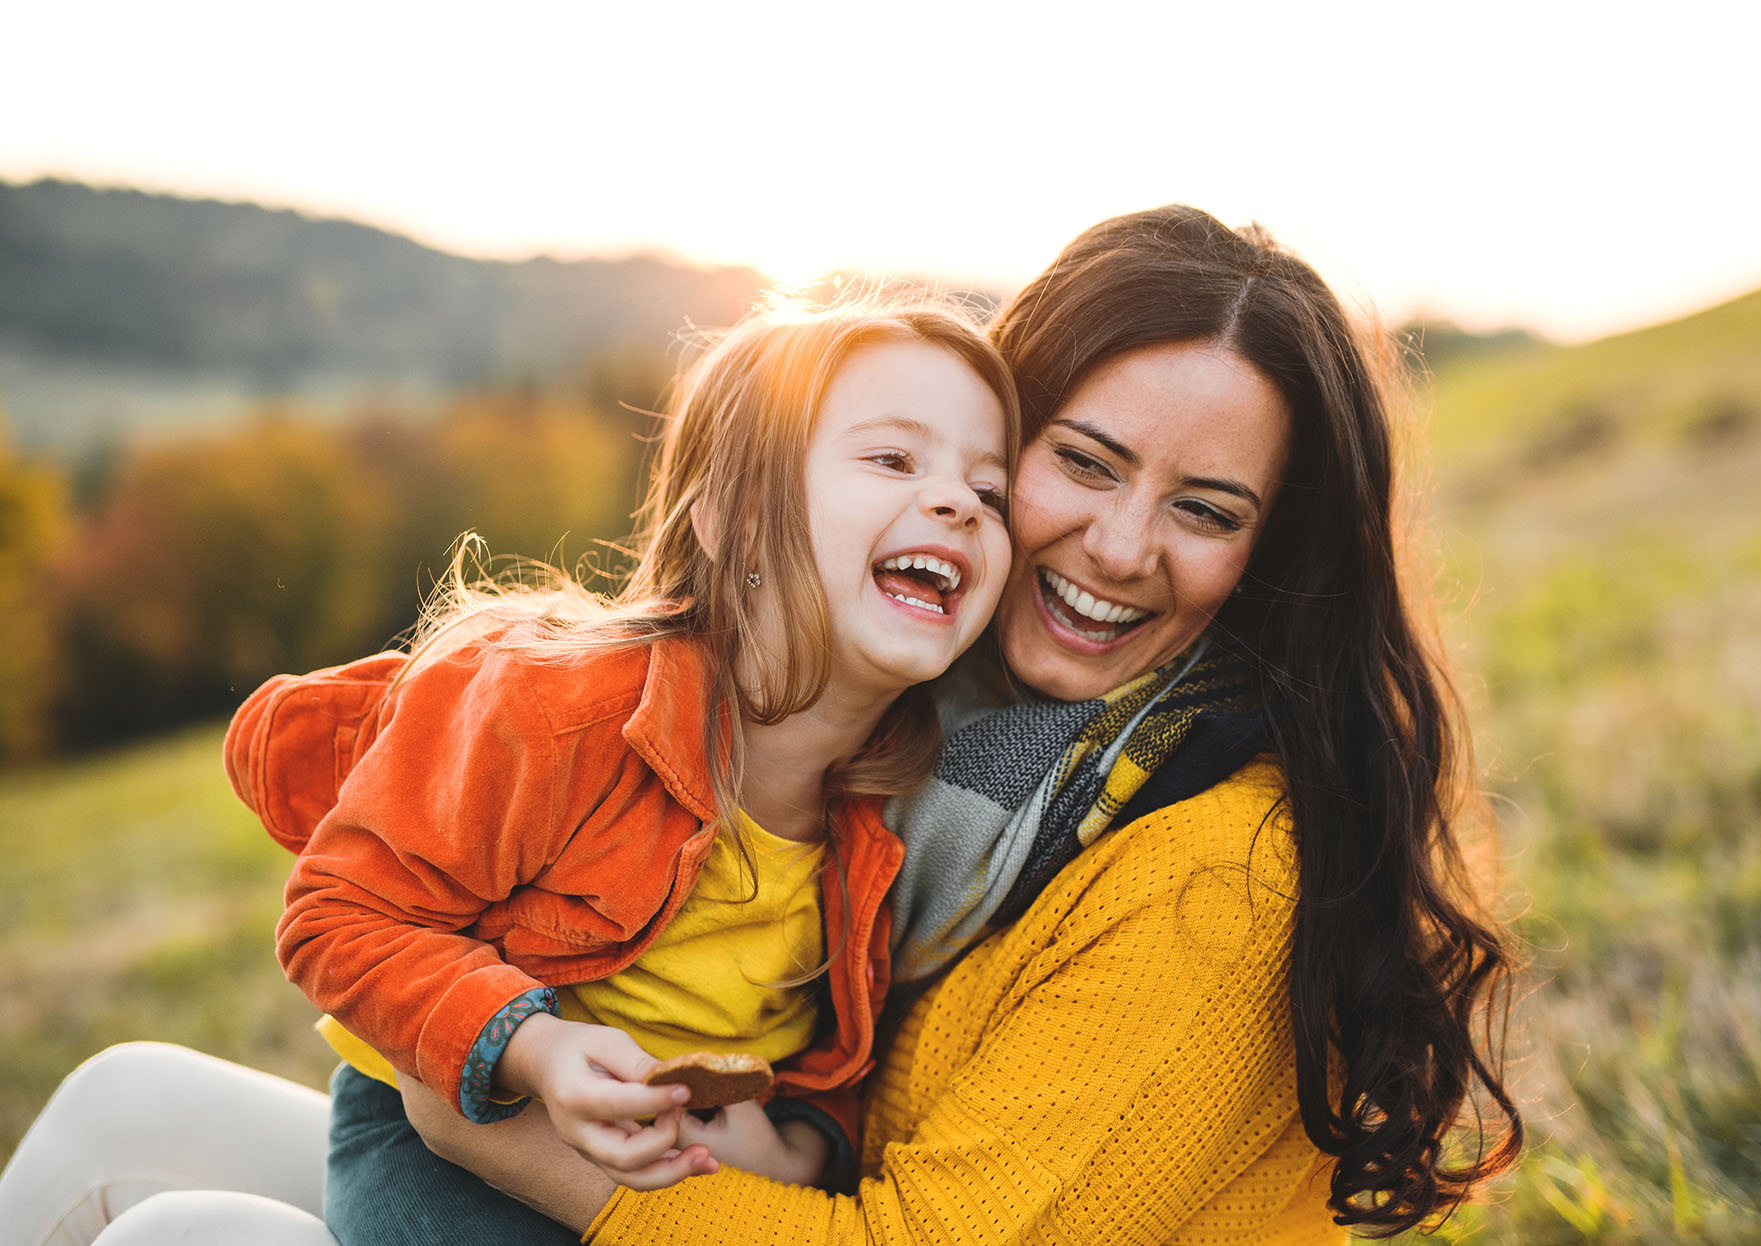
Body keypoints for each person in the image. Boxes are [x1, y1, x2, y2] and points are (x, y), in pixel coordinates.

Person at [0, 205, 1521, 1245]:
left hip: (642, 1186)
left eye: (1204, 508)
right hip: (661, 1165)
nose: (1121, 546)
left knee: (184, 1235)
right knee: (124, 1095)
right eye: (1079, 461)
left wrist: (491, 1106)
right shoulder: (942, 750)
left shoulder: (1204, 858)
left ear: (1274, 554)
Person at [239, 294, 1017, 1242]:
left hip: (682, 1185)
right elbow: (340, 914)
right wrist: (531, 1049)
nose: (958, 504)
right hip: (458, 1131)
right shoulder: (555, 708)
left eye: (993, 492)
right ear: (730, 520)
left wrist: (794, 1151)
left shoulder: (898, 812)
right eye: (895, 458)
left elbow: (837, 1063)